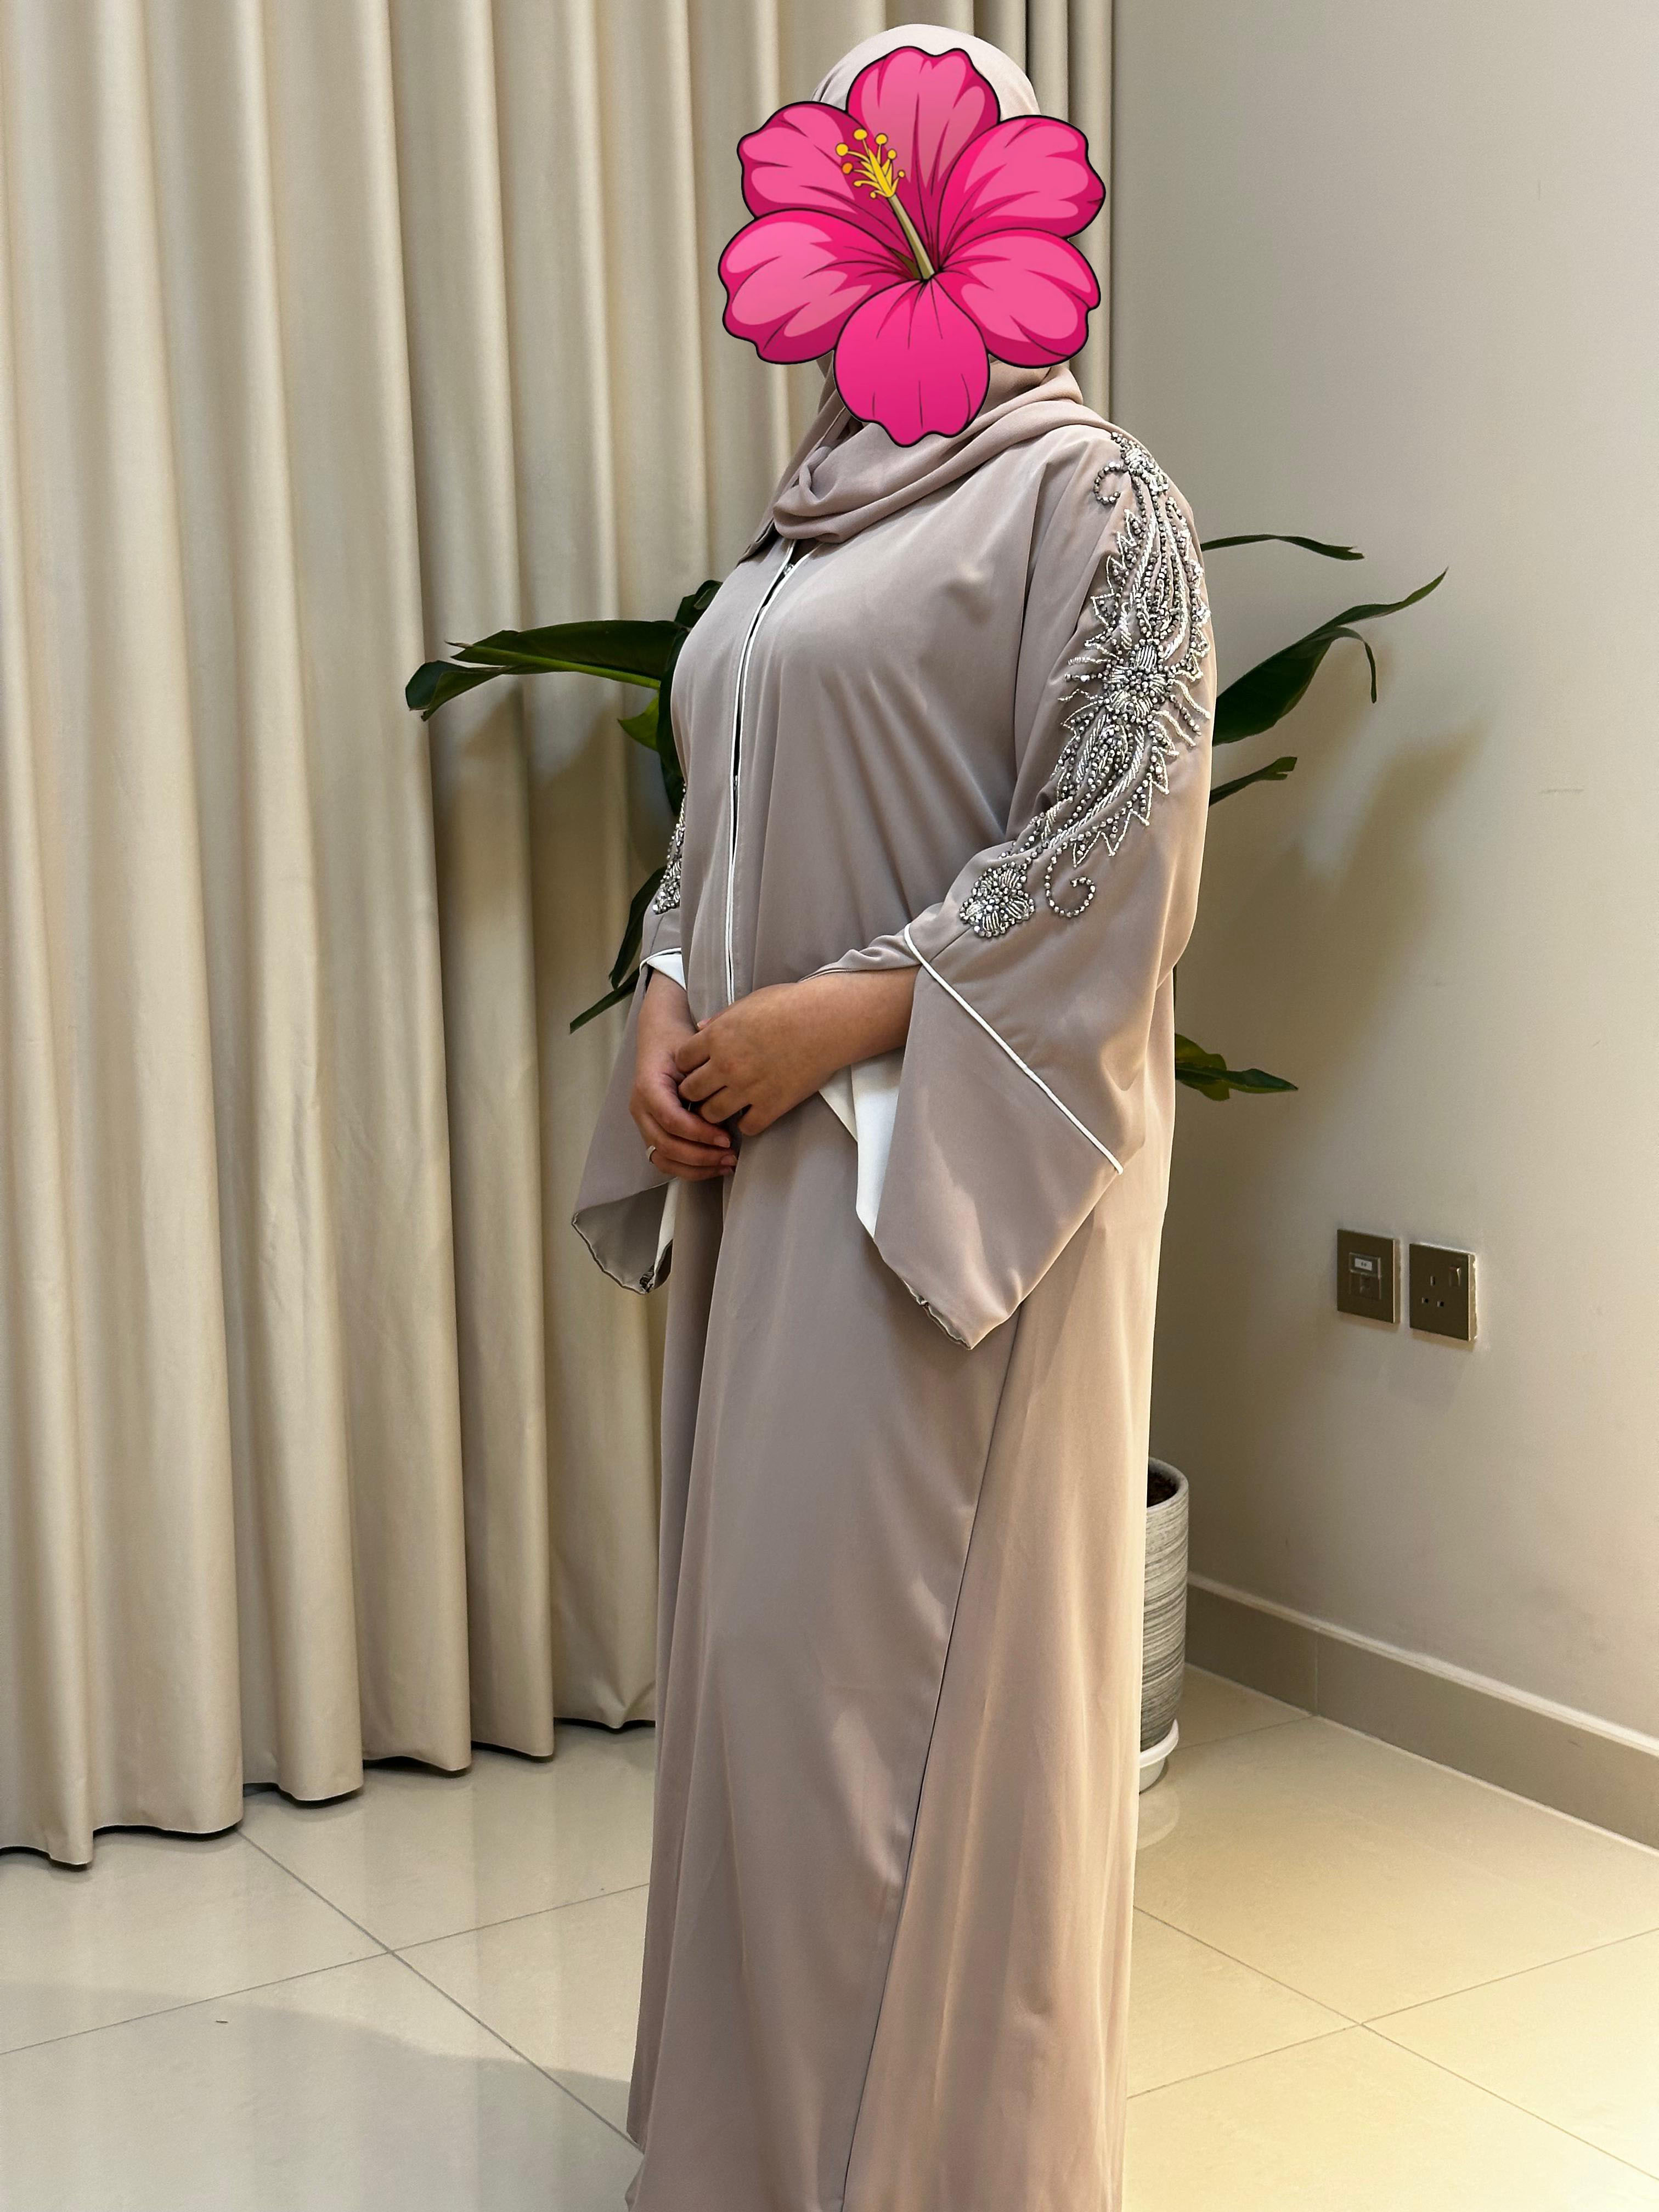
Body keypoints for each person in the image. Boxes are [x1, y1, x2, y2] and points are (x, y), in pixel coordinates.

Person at [574, 25, 1215, 2209]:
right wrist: (671, 996)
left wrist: (840, 1020)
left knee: (892, 1702)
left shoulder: (1090, 498)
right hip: (772, 1182)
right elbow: (720, 817)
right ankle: (756, 2147)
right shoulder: (799, 528)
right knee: (769, 1676)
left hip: (943, 1194)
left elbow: (1116, 844)